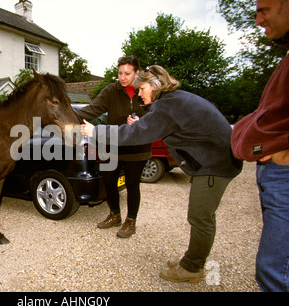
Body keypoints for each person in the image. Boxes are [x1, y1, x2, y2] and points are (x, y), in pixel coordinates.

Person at [81, 65, 243, 283]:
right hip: (214, 160)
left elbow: (135, 134)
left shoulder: (168, 105)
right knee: (200, 216)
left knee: (200, 217)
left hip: (215, 164)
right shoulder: (173, 100)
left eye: (142, 88)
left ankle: (192, 268)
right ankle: (192, 260)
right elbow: (156, 128)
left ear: (155, 86)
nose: (139, 93)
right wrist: (143, 125)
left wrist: (96, 131)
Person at [231, 0, 289, 292]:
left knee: (274, 272)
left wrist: (283, 154)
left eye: (264, 9)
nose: (258, 20)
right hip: (276, 174)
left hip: (284, 174)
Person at [74, 55, 152, 238]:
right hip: (111, 145)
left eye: (127, 73)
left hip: (136, 146)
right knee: (109, 182)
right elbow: (92, 109)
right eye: (120, 73)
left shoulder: (147, 90)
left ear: (137, 73)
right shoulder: (111, 90)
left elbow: (157, 115)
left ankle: (130, 221)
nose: (122, 77)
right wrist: (67, 115)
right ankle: (115, 215)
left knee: (133, 185)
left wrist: (142, 122)